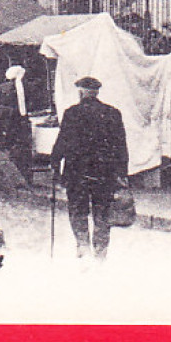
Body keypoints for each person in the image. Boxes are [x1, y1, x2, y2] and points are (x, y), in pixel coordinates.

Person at [51, 75, 129, 261]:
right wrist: (122, 172)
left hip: (77, 172)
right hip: (104, 173)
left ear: (81, 92)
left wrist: (54, 162)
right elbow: (121, 145)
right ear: (96, 92)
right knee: (102, 212)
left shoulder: (72, 113)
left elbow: (63, 140)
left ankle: (83, 245)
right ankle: (100, 251)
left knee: (78, 210)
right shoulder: (113, 113)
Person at [0, 65, 34, 182]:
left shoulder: (3, 87)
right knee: (23, 148)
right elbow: (32, 104)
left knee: (7, 147)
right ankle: (25, 176)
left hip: (6, 122)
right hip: (21, 122)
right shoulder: (27, 87)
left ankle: (9, 176)